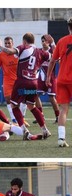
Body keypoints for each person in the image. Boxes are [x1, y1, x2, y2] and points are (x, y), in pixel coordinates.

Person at [0, 33, 52, 140]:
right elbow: (55, 58)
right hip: (33, 83)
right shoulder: (41, 52)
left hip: (22, 82)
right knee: (31, 106)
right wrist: (51, 46)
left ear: (25, 41)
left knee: (14, 106)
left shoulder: (23, 47)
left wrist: (0, 46)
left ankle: (24, 130)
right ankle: (45, 129)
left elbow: (9, 51)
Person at [46, 18, 72, 148]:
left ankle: (61, 139)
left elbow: (52, 61)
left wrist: (47, 77)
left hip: (61, 80)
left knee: (63, 109)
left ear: (68, 27)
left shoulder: (62, 41)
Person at [0, 36, 29, 126]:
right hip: (7, 81)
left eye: (9, 43)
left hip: (19, 80)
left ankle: (22, 118)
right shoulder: (1, 55)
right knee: (8, 99)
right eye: (5, 43)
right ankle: (14, 120)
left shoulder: (17, 53)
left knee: (24, 99)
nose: (7, 45)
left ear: (12, 44)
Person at [35, 34, 60, 124]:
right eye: (42, 41)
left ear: (48, 42)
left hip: (51, 78)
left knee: (51, 97)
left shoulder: (52, 50)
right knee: (35, 95)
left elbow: (58, 56)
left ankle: (58, 116)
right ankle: (40, 115)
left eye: (45, 41)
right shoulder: (39, 51)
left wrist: (53, 43)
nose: (43, 43)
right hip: (41, 77)